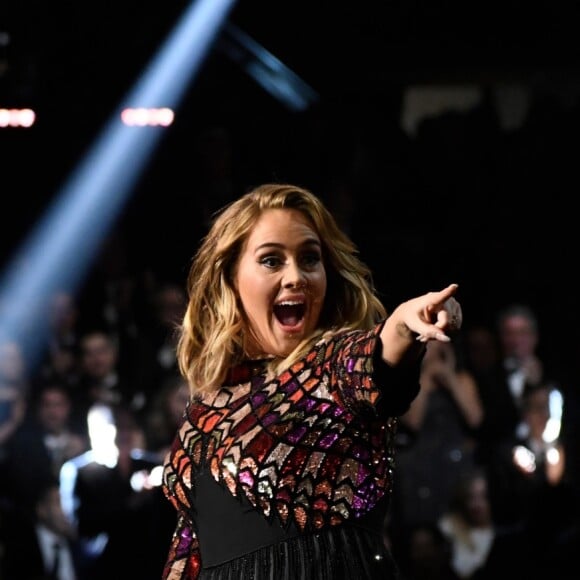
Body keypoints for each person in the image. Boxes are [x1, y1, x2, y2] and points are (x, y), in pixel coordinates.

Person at [160, 183, 463, 579]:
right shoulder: (204, 409)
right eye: (271, 260)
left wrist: (405, 325)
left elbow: (370, 360)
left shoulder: (332, 364)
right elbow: (188, 550)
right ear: (231, 277)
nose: (296, 276)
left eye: (309, 259)